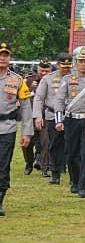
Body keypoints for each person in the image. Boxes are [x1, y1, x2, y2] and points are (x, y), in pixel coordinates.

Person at [0, 42, 35, 216]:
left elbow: (26, 107)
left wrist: (27, 132)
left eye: (5, 55)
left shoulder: (17, 80)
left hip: (7, 127)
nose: (2, 58)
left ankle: (0, 200)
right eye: (0, 55)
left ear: (10, 58)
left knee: (3, 165)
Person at [60, 47, 85, 197]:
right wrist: (59, 120)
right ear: (75, 62)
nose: (84, 64)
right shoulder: (67, 80)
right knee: (71, 153)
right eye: (81, 61)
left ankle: (83, 186)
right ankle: (75, 181)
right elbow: (59, 101)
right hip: (71, 120)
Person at [33, 53, 72, 184]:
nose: (66, 69)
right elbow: (39, 98)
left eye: (68, 66)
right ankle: (55, 172)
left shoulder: (75, 78)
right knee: (54, 144)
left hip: (71, 115)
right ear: (57, 65)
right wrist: (38, 116)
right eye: (63, 66)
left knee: (71, 145)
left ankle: (69, 170)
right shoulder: (48, 79)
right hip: (52, 115)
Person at [20, 61, 49, 176]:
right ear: (37, 69)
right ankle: (29, 163)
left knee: (46, 142)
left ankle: (45, 168)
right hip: (30, 116)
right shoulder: (29, 80)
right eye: (42, 70)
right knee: (27, 144)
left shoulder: (53, 80)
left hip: (46, 116)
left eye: (47, 71)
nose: (44, 73)